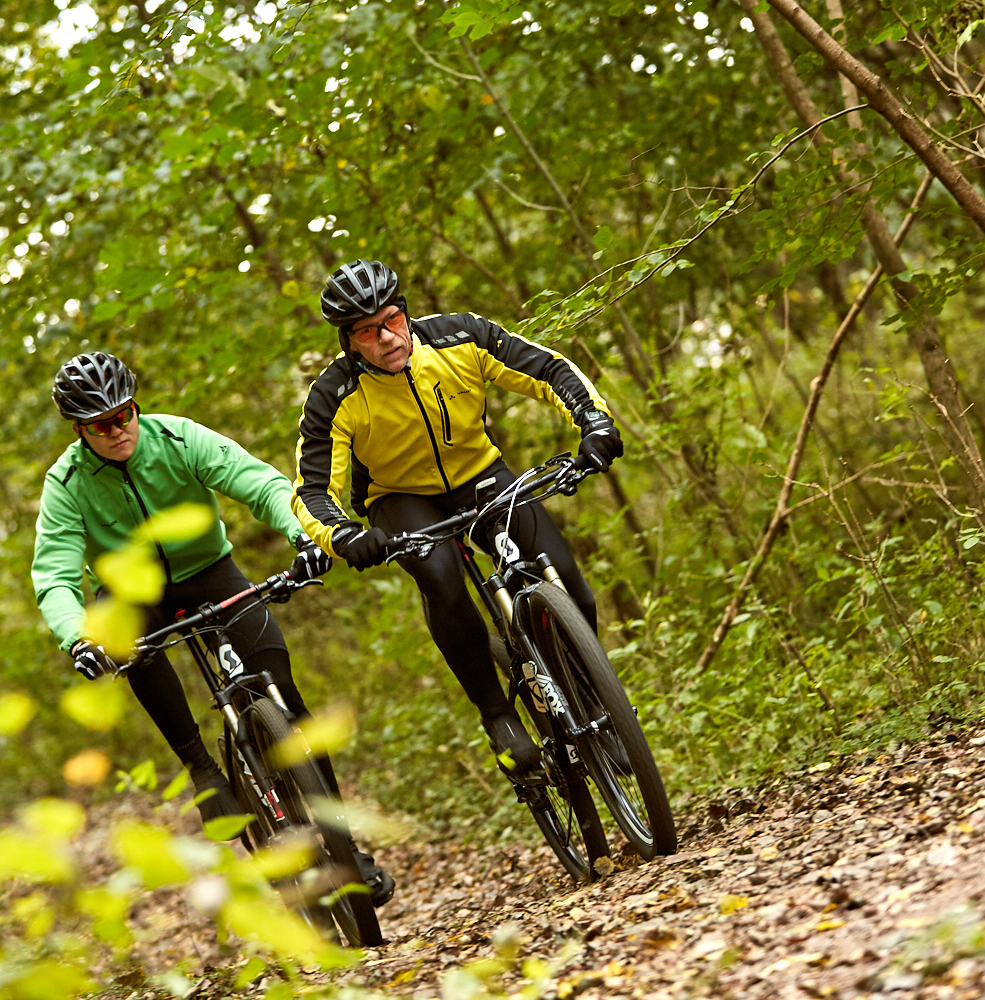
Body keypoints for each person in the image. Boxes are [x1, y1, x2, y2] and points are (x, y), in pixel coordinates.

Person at [31, 351, 394, 905]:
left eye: (124, 414)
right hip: (132, 593)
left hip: (209, 571)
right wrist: (76, 636)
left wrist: (304, 535)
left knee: (288, 701)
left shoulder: (178, 439)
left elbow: (257, 482)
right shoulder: (68, 483)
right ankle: (201, 767)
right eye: (101, 425)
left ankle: (346, 847)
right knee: (127, 645)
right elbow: (55, 571)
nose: (118, 430)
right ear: (80, 430)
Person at [291, 260, 623, 781]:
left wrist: (594, 421)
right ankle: (497, 717)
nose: (386, 337)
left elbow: (549, 369)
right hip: (399, 499)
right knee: (443, 578)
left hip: (481, 473)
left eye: (392, 319)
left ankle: (591, 697)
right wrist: (343, 535)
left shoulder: (460, 336)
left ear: (407, 313)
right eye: (367, 331)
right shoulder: (333, 396)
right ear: (349, 342)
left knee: (564, 575)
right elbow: (312, 490)